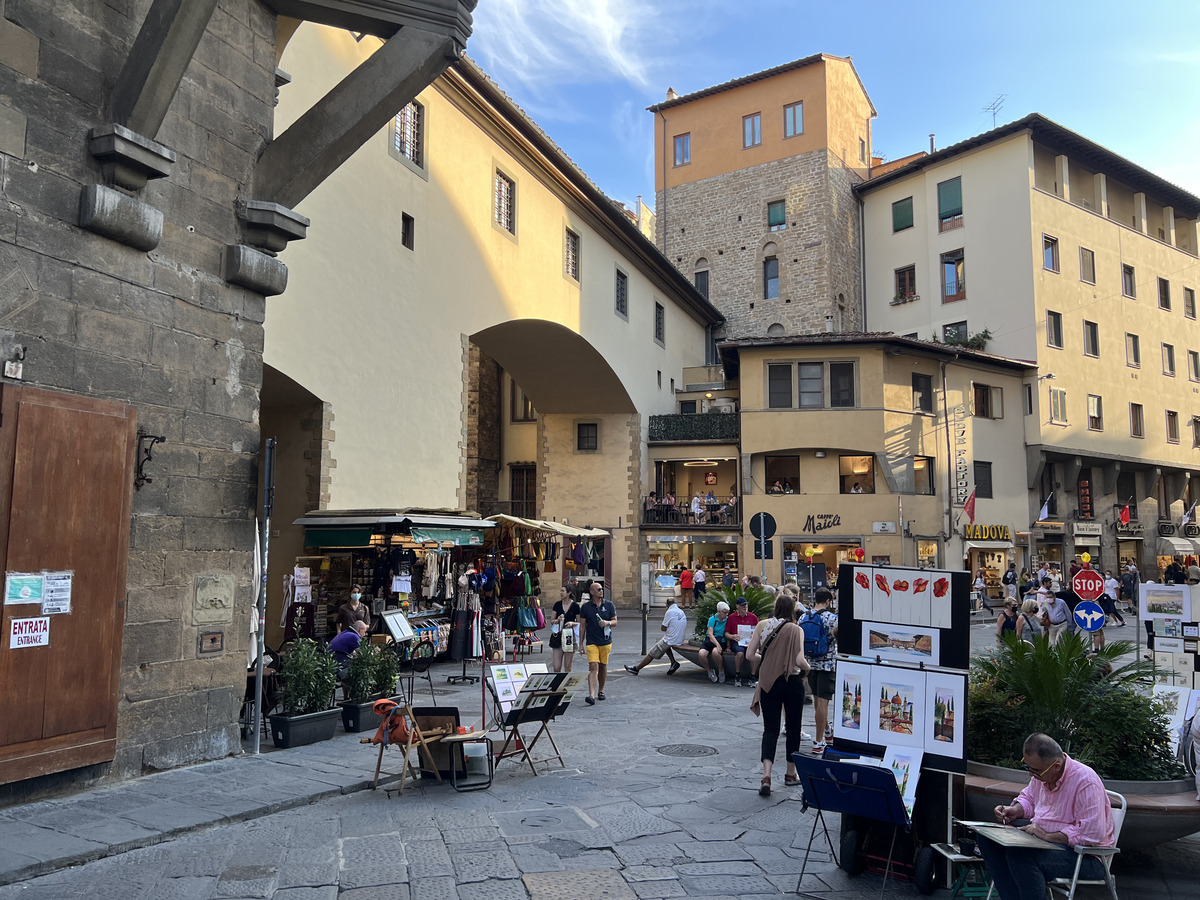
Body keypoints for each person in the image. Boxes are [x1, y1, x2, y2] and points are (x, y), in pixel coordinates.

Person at [981, 733, 1114, 900]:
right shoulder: (1042, 774)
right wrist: (1014, 809)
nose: (1031, 775)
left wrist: (1046, 835)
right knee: (988, 840)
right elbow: (1029, 798)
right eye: (1027, 767)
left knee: (1021, 856)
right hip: (1044, 844)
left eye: (1035, 770)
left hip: (1085, 857)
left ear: (1056, 766)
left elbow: (1093, 832)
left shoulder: (1086, 781)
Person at [749, 594, 811, 797]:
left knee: (770, 729)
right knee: (793, 728)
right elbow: (800, 660)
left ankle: (766, 776)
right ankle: (790, 774)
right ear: (793, 609)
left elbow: (750, 655)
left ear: (775, 607)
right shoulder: (797, 629)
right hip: (792, 682)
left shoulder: (762, 625)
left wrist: (768, 660)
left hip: (768, 683)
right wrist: (808, 668)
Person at [803, 588, 838, 753]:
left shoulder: (804, 616)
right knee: (823, 702)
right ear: (828, 601)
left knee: (818, 701)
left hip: (810, 663)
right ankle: (818, 741)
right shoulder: (831, 618)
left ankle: (827, 731)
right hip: (827, 664)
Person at [624, 599, 687, 676]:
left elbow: (663, 628)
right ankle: (673, 662)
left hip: (671, 639)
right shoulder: (681, 611)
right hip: (680, 638)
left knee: (652, 652)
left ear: (667, 605)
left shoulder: (669, 612)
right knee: (665, 642)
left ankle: (636, 669)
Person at [578, 581, 617, 705]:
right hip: (591, 641)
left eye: (601, 589)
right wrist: (580, 643)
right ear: (592, 592)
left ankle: (601, 690)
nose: (601, 591)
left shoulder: (609, 605)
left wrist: (607, 623)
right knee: (593, 666)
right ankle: (591, 695)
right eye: (599, 589)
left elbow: (615, 621)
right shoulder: (586, 607)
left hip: (605, 640)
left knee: (603, 666)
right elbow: (582, 626)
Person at [723, 597, 759, 687]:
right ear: (737, 606)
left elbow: (758, 631)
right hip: (737, 642)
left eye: (746, 605)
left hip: (750, 641)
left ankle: (753, 676)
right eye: (742, 605)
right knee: (740, 653)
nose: (745, 607)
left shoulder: (753, 617)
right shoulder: (731, 617)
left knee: (754, 654)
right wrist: (732, 636)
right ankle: (738, 675)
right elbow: (726, 633)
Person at [550, 585, 580, 673]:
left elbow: (580, 622)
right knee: (556, 667)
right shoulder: (557, 605)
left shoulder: (575, 606)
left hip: (569, 637)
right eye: (560, 591)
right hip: (558, 636)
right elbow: (551, 620)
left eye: (563, 591)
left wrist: (572, 623)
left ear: (569, 592)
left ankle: (566, 686)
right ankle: (557, 684)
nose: (561, 593)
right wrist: (557, 620)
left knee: (568, 667)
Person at [698, 600, 730, 683]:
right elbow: (710, 634)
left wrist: (722, 646)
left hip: (721, 640)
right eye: (725, 612)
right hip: (711, 640)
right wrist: (717, 645)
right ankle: (709, 671)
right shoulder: (712, 619)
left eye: (727, 612)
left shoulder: (728, 620)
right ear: (719, 612)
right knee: (701, 653)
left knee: (716, 652)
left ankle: (721, 670)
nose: (726, 614)